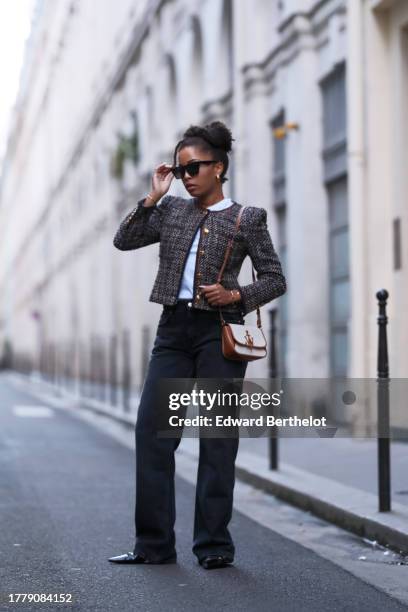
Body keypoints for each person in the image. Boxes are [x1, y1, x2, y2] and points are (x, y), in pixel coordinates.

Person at [108, 121, 286, 569]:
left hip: (218, 334)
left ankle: (213, 545)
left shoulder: (247, 218)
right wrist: (153, 195)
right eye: (181, 168)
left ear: (219, 167)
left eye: (194, 167)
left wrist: (237, 296)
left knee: (216, 439)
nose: (186, 176)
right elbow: (123, 239)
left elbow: (274, 278)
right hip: (173, 332)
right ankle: (153, 545)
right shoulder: (170, 211)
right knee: (152, 434)